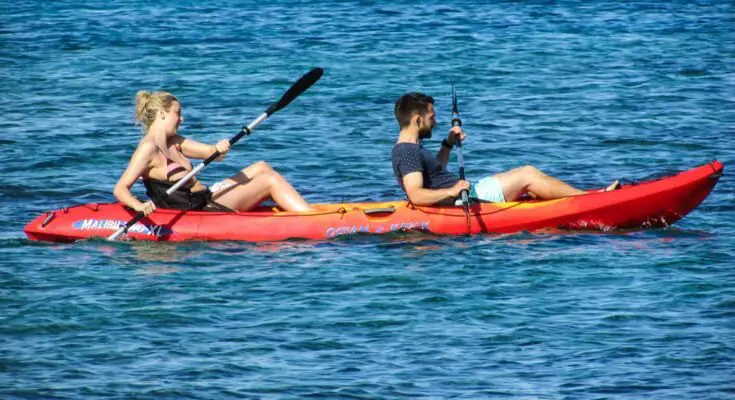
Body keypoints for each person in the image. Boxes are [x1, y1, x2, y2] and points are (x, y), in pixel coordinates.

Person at [391, 92, 619, 206]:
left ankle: (583, 198)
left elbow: (436, 173)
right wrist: (452, 191)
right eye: (432, 117)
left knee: (528, 181)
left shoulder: (410, 148)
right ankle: (593, 202)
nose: (435, 121)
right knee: (527, 174)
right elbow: (416, 194)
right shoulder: (408, 151)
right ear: (417, 120)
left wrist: (448, 143)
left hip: (469, 192)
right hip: (465, 199)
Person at [114, 91, 313, 216]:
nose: (181, 119)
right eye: (178, 112)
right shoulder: (148, 148)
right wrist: (139, 206)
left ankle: (284, 205)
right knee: (270, 180)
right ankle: (310, 219)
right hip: (196, 210)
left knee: (262, 166)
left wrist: (219, 148)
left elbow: (211, 153)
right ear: (162, 114)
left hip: (206, 196)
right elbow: (121, 188)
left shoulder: (175, 141)